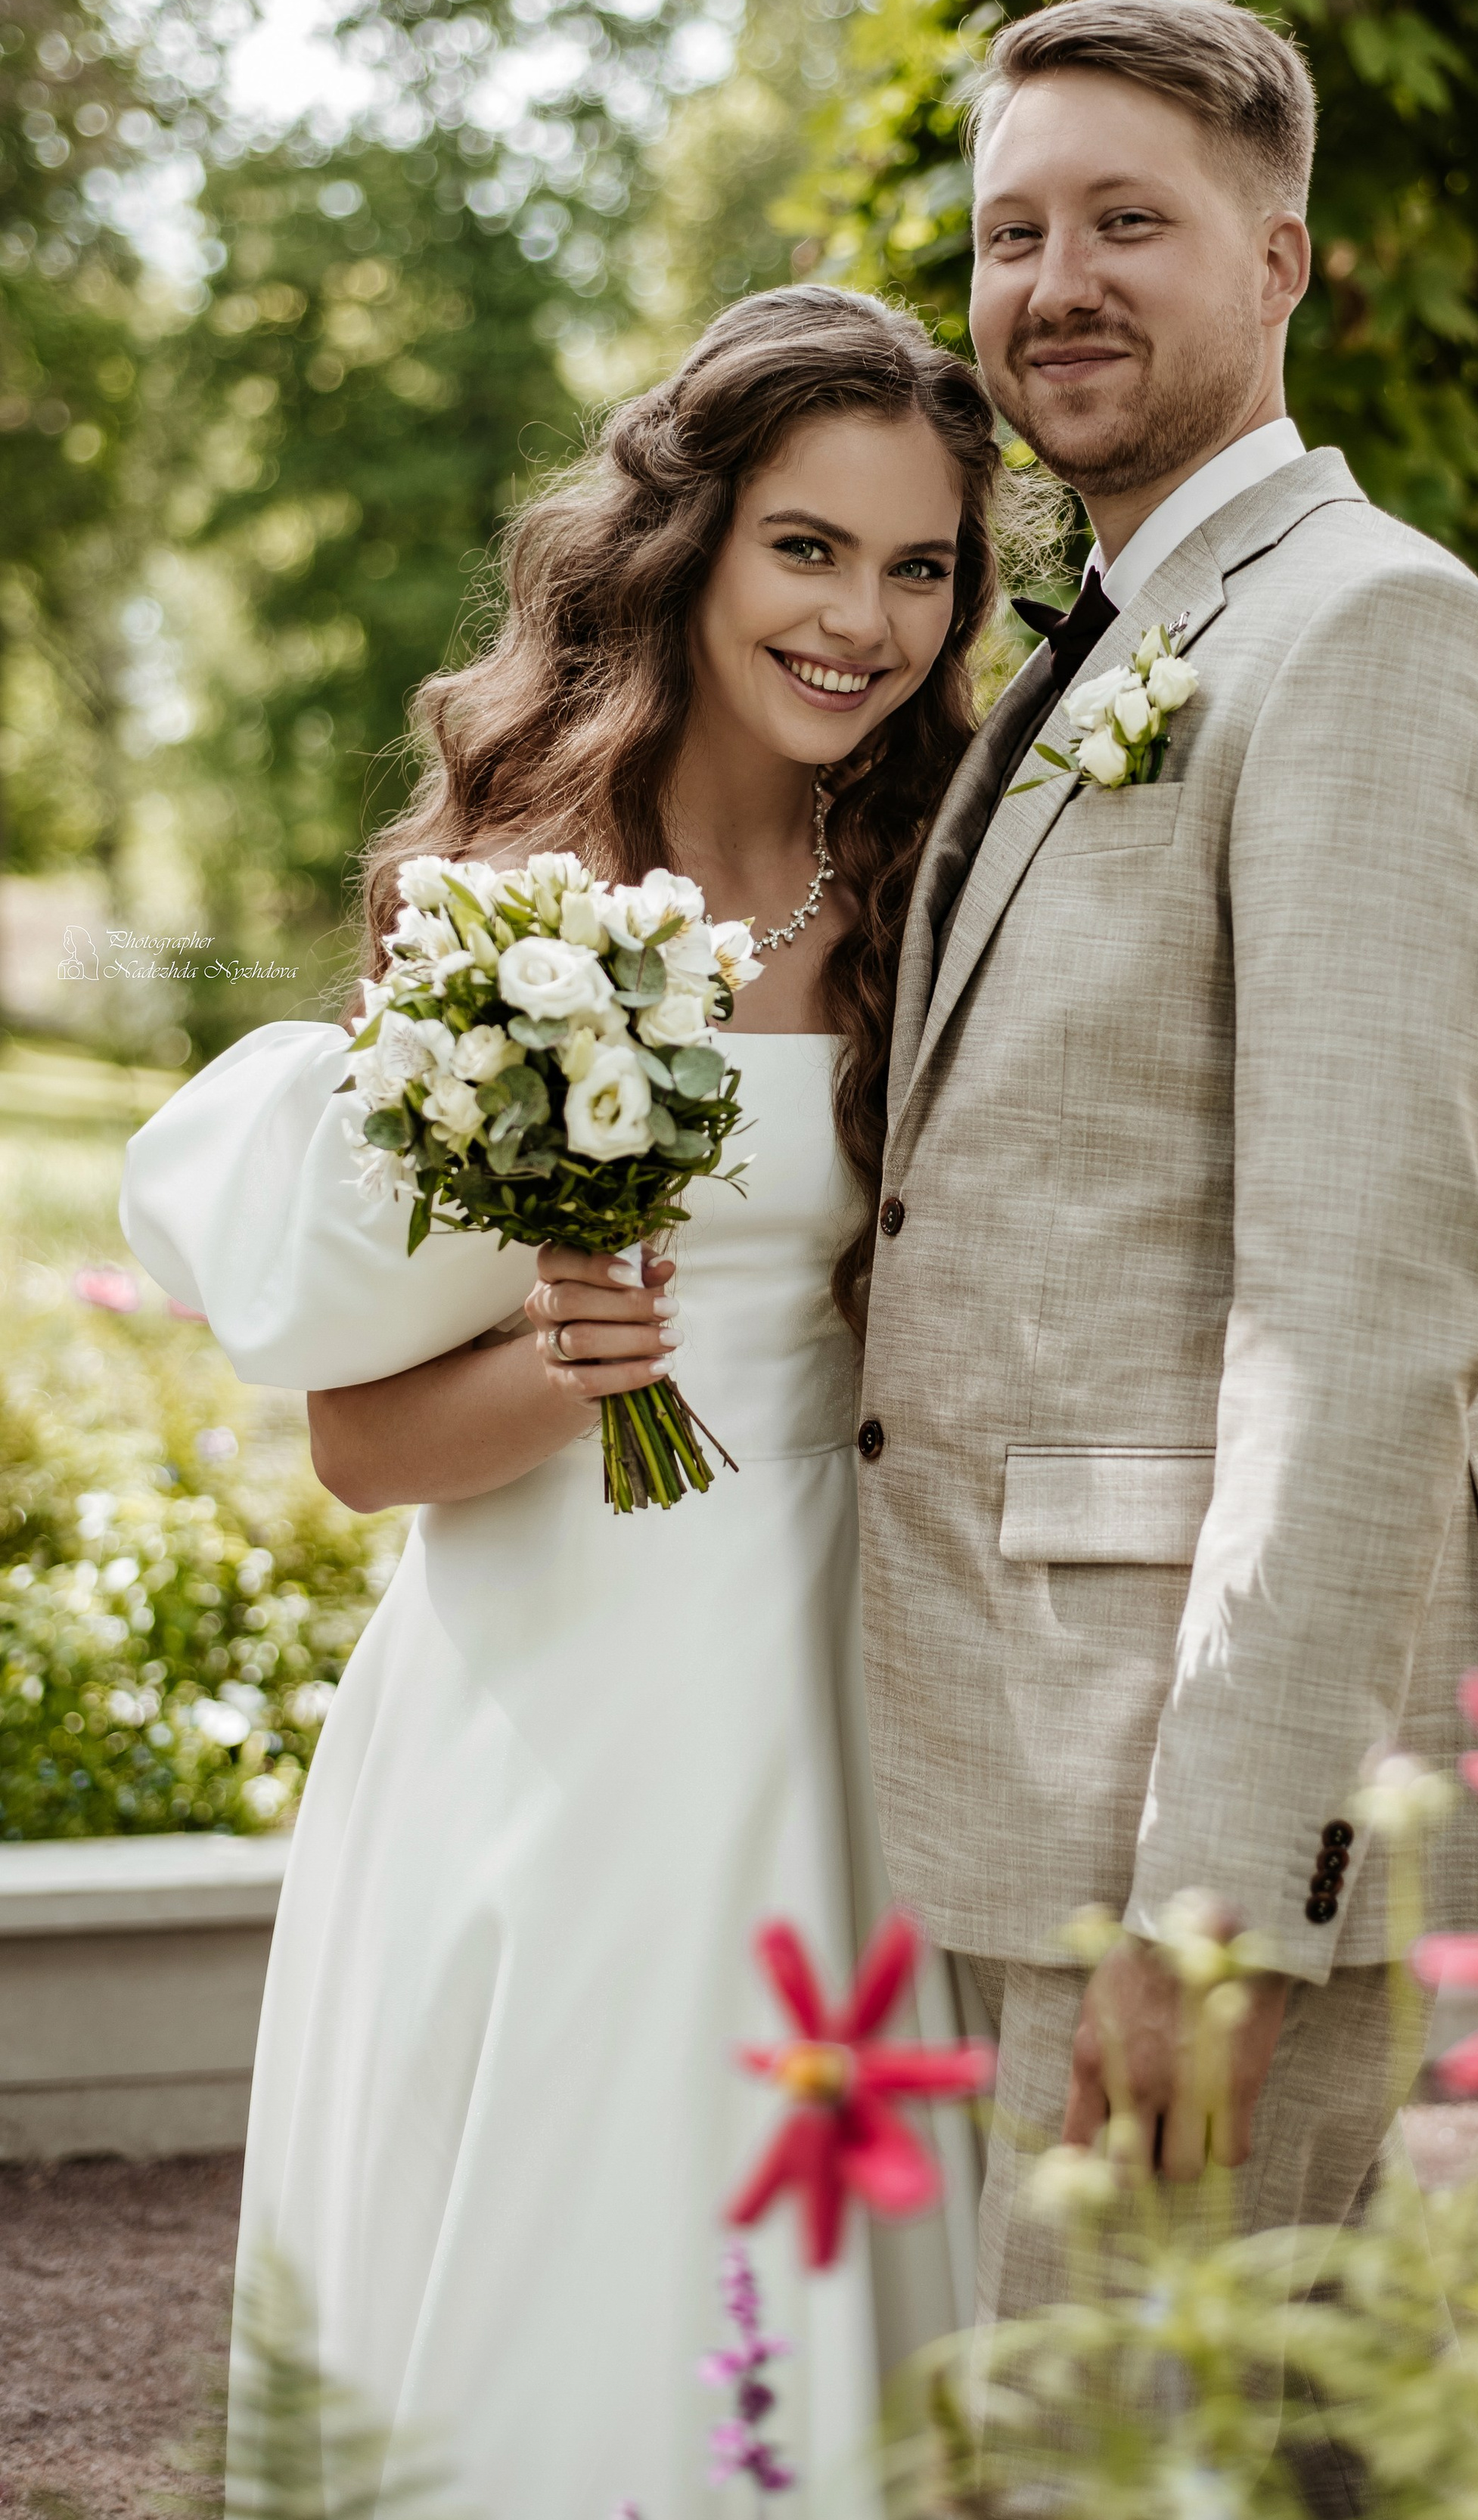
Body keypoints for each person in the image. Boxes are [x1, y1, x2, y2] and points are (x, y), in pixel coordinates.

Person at [120, 287, 1012, 2520]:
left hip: (839, 1673)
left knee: (802, 2214)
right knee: (559, 2221)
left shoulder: (943, 893)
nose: (864, 622)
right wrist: (556, 1363)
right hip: (545, 1690)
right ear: (695, 548)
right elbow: (359, 1447)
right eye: (810, 549)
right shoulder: (513, 925)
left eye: (921, 570)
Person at [852, 0, 1478, 2343]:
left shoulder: (1372, 637)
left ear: (1283, 258)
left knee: (1144, 2469)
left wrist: (1217, 1899)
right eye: (1012, 231)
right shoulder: (1114, 630)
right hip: (1020, 1754)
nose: (1054, 280)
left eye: (1127, 222)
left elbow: (1369, 1324)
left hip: (1187, 1800)